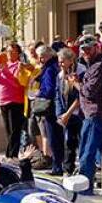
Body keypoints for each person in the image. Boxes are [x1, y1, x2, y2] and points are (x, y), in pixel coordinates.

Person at [70, 34, 102, 192]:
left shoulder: (100, 67)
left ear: (97, 47)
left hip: (95, 118)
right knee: (95, 156)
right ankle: (94, 187)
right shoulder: (94, 66)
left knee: (86, 156)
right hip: (99, 117)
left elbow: (89, 92)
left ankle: (84, 190)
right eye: (83, 50)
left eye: (89, 49)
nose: (85, 52)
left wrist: (76, 83)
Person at [0, 43, 28, 158]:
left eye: (12, 51)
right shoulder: (4, 64)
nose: (9, 53)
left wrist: (5, 71)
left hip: (15, 100)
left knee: (14, 130)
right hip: (3, 100)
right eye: (7, 51)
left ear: (18, 53)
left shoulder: (19, 65)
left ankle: (11, 155)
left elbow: (17, 83)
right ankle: (11, 155)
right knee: (8, 130)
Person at [34, 45, 65, 175]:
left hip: (50, 106)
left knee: (53, 136)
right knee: (58, 136)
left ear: (46, 56)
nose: (39, 59)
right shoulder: (55, 66)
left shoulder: (49, 69)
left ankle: (57, 166)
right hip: (57, 105)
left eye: (41, 57)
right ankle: (59, 164)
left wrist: (38, 93)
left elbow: (49, 89)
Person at [55, 48, 85, 175]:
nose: (60, 64)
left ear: (70, 60)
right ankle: (68, 170)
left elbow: (81, 96)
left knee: (83, 141)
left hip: (80, 114)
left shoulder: (81, 71)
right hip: (67, 114)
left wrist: (68, 113)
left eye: (62, 61)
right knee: (69, 143)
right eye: (59, 62)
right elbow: (57, 95)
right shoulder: (60, 75)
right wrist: (60, 114)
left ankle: (86, 170)